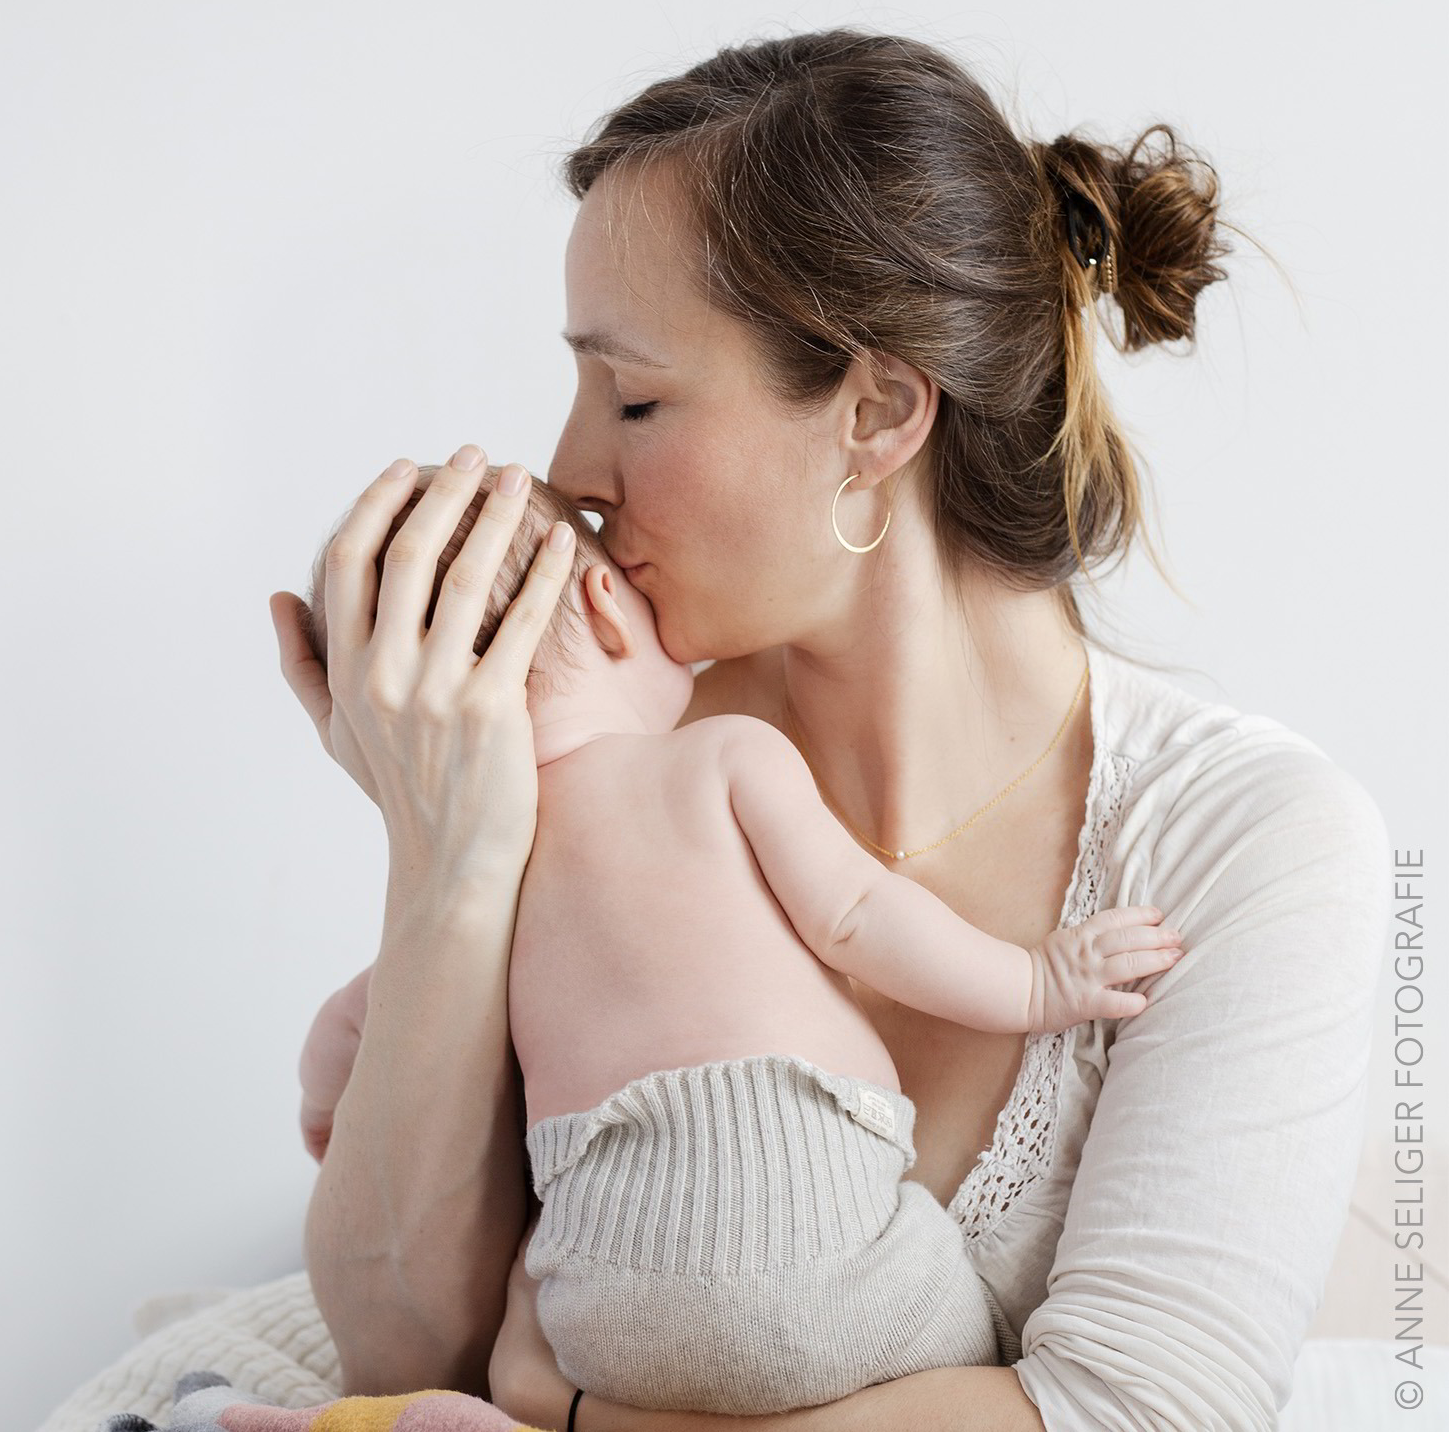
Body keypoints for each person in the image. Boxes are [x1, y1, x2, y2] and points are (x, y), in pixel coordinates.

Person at [268, 28, 1391, 1431]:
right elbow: (404, 1361)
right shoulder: (606, 784)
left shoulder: (1251, 845)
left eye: (633, 397)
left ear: (876, 415)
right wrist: (452, 851)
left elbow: (1147, 1415)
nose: (567, 472)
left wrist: (581, 1422)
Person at [290, 464, 1187, 1415]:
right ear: (606, 604)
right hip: (830, 1257)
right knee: (983, 1347)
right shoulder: (722, 756)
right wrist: (1035, 986)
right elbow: (856, 917)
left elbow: (357, 1025)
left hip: (607, 1320)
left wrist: (324, 1107)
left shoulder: (489, 870)